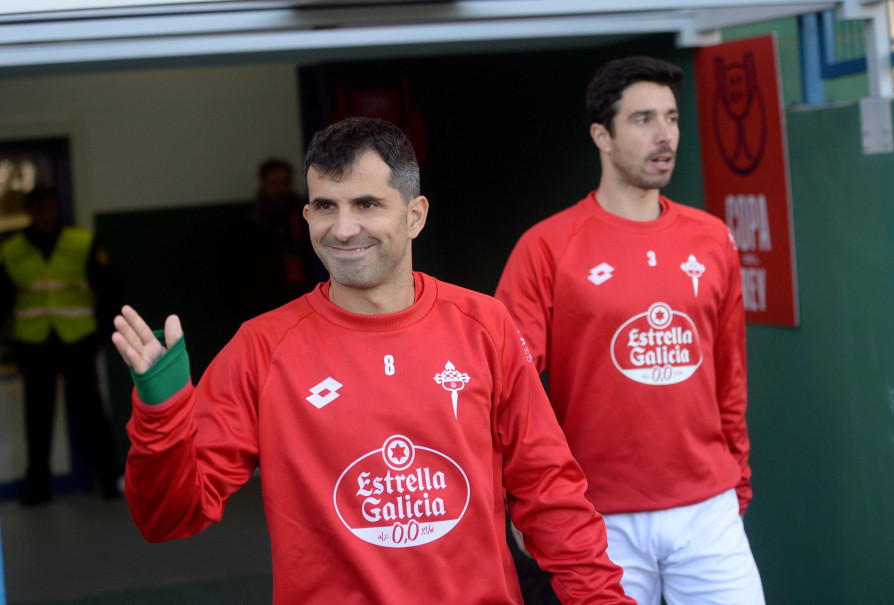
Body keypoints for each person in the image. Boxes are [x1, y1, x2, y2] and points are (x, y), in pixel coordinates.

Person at [111, 117, 635, 604]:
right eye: (325, 206)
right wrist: (162, 409)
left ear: (415, 215)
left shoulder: (485, 326)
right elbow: (168, 518)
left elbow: (550, 492)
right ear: (307, 214)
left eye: (366, 205)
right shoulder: (262, 347)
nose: (342, 229)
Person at [495, 57, 765, 605]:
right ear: (602, 134)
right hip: (599, 514)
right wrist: (524, 500)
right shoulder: (547, 246)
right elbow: (508, 392)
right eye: (643, 120)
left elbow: (729, 371)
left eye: (671, 118)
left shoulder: (712, 238)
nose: (665, 135)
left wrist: (736, 474)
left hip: (707, 509)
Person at [0, 185, 121, 506]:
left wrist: (101, 335)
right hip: (34, 342)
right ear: (30, 211)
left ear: (57, 209)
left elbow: (109, 290)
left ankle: (110, 479)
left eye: (49, 208)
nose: (44, 215)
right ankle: (37, 487)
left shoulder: (80, 242)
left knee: (91, 412)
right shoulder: (11, 250)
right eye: (38, 209)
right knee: (37, 417)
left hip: (77, 338)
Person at [220, 158, 319, 322]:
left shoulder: (306, 215)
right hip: (264, 303)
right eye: (273, 184)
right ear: (263, 185)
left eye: (284, 182)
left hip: (305, 296)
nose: (280, 189)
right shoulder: (250, 224)